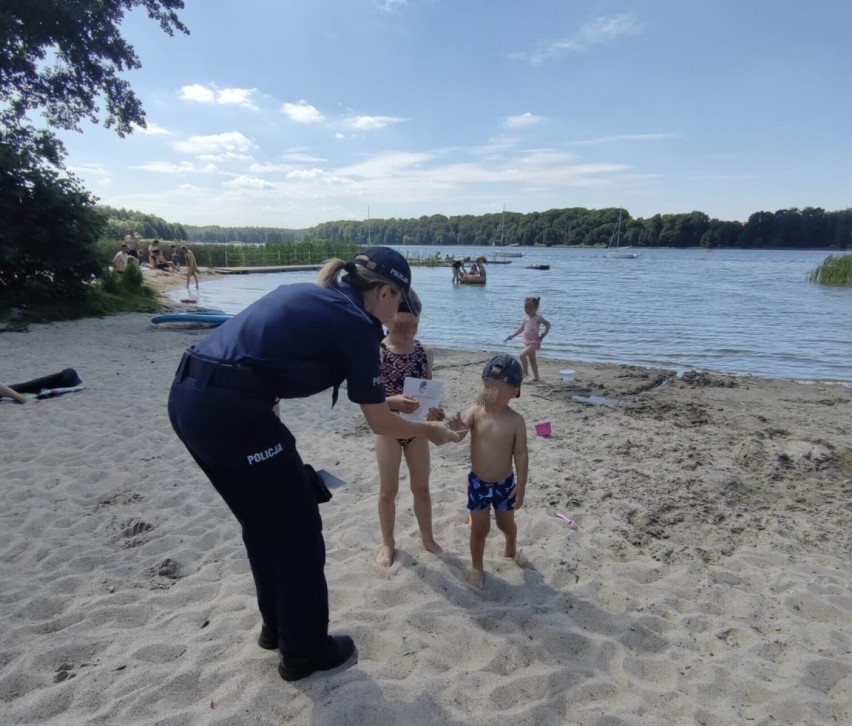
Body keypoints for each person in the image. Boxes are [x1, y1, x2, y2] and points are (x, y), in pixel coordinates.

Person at [167, 247, 465, 682]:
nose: (397, 312)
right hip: (231, 413)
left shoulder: (312, 296)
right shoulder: (356, 325)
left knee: (262, 522)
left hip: (190, 399)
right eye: (399, 300)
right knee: (298, 533)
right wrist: (431, 433)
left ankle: (278, 629)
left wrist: (275, 453)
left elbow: (258, 366)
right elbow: (380, 423)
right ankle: (304, 651)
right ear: (384, 291)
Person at [375, 290, 443, 567]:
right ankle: (388, 543)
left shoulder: (424, 353)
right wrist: (393, 401)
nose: (408, 332)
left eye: (413, 325)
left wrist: (436, 412)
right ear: (387, 320)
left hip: (417, 430)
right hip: (388, 427)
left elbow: (429, 391)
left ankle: (427, 538)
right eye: (401, 326)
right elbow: (369, 398)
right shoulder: (378, 351)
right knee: (388, 490)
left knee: (422, 488)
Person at [450, 355, 528, 589]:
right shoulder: (475, 411)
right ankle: (476, 566)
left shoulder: (516, 421)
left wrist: (521, 485)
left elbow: (521, 454)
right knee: (479, 529)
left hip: (505, 484)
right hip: (478, 484)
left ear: (514, 391)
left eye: (496, 389)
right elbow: (459, 434)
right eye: (486, 387)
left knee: (506, 523)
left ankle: (511, 542)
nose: (489, 394)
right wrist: (453, 428)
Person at [504, 296, 551, 381]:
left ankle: (525, 372)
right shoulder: (525, 319)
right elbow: (521, 329)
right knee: (532, 360)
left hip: (535, 342)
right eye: (525, 308)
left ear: (536, 308)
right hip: (527, 342)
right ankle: (536, 378)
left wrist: (544, 334)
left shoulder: (537, 318)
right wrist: (512, 336)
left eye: (530, 308)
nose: (527, 310)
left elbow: (548, 324)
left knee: (521, 355)